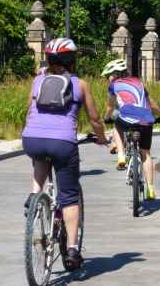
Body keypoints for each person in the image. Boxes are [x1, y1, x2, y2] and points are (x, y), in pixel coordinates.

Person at [21, 38, 108, 270]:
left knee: (40, 156)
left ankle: (34, 195)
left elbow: (30, 110)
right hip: (63, 143)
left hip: (32, 138)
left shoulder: (38, 80)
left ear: (48, 59)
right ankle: (71, 250)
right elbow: (95, 119)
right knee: (69, 195)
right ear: (72, 60)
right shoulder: (80, 85)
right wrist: (101, 138)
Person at [101, 59, 160, 200]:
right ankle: (150, 189)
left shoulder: (114, 85)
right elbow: (151, 103)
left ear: (115, 74)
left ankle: (121, 156)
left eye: (109, 76)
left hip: (127, 118)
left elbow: (110, 107)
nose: (108, 79)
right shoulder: (139, 83)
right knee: (146, 155)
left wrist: (106, 118)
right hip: (146, 119)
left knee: (116, 125)